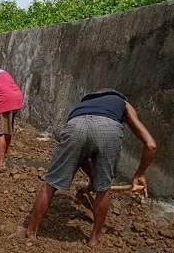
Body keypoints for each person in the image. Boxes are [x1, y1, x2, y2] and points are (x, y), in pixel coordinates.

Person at [20, 88, 157, 248]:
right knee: (103, 188)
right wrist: (139, 173)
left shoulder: (83, 105)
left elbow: (82, 155)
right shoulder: (123, 103)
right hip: (108, 130)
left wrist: (92, 178)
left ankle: (31, 231)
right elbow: (151, 145)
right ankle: (95, 238)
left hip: (75, 125)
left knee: (50, 184)